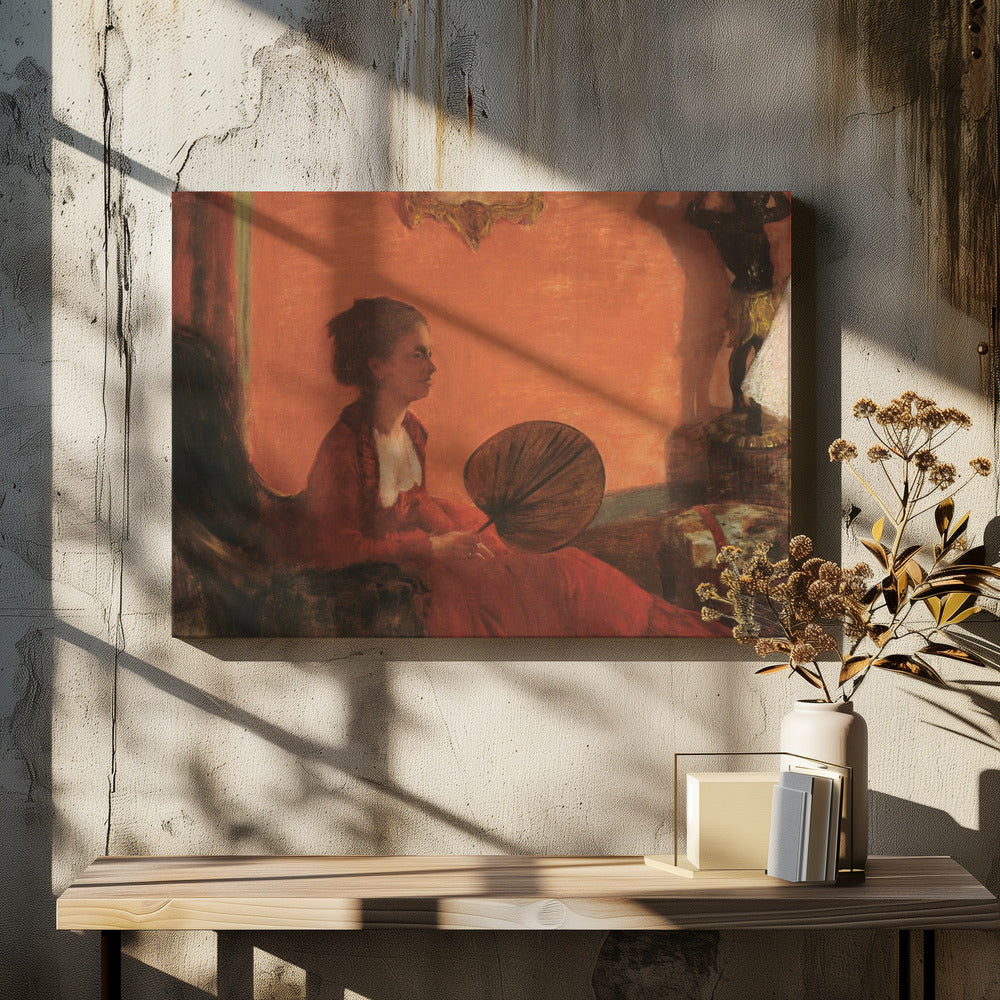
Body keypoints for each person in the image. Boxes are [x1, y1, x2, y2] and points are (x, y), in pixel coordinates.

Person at [300, 296, 726, 637]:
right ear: (377, 366)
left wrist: (453, 534)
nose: (431, 367)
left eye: (430, 353)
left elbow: (417, 502)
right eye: (417, 355)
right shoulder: (344, 448)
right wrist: (435, 547)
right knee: (553, 584)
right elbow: (339, 549)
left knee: (569, 567)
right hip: (409, 570)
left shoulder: (411, 430)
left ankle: (672, 628)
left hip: (441, 543)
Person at [684, 192, 790, 413]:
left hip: (760, 293)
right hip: (747, 295)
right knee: (748, 350)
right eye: (754, 198)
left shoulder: (743, 218)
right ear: (742, 200)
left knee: (756, 351)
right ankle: (743, 402)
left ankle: (751, 403)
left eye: (759, 198)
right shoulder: (744, 218)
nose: (757, 201)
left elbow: (783, 208)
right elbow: (692, 214)